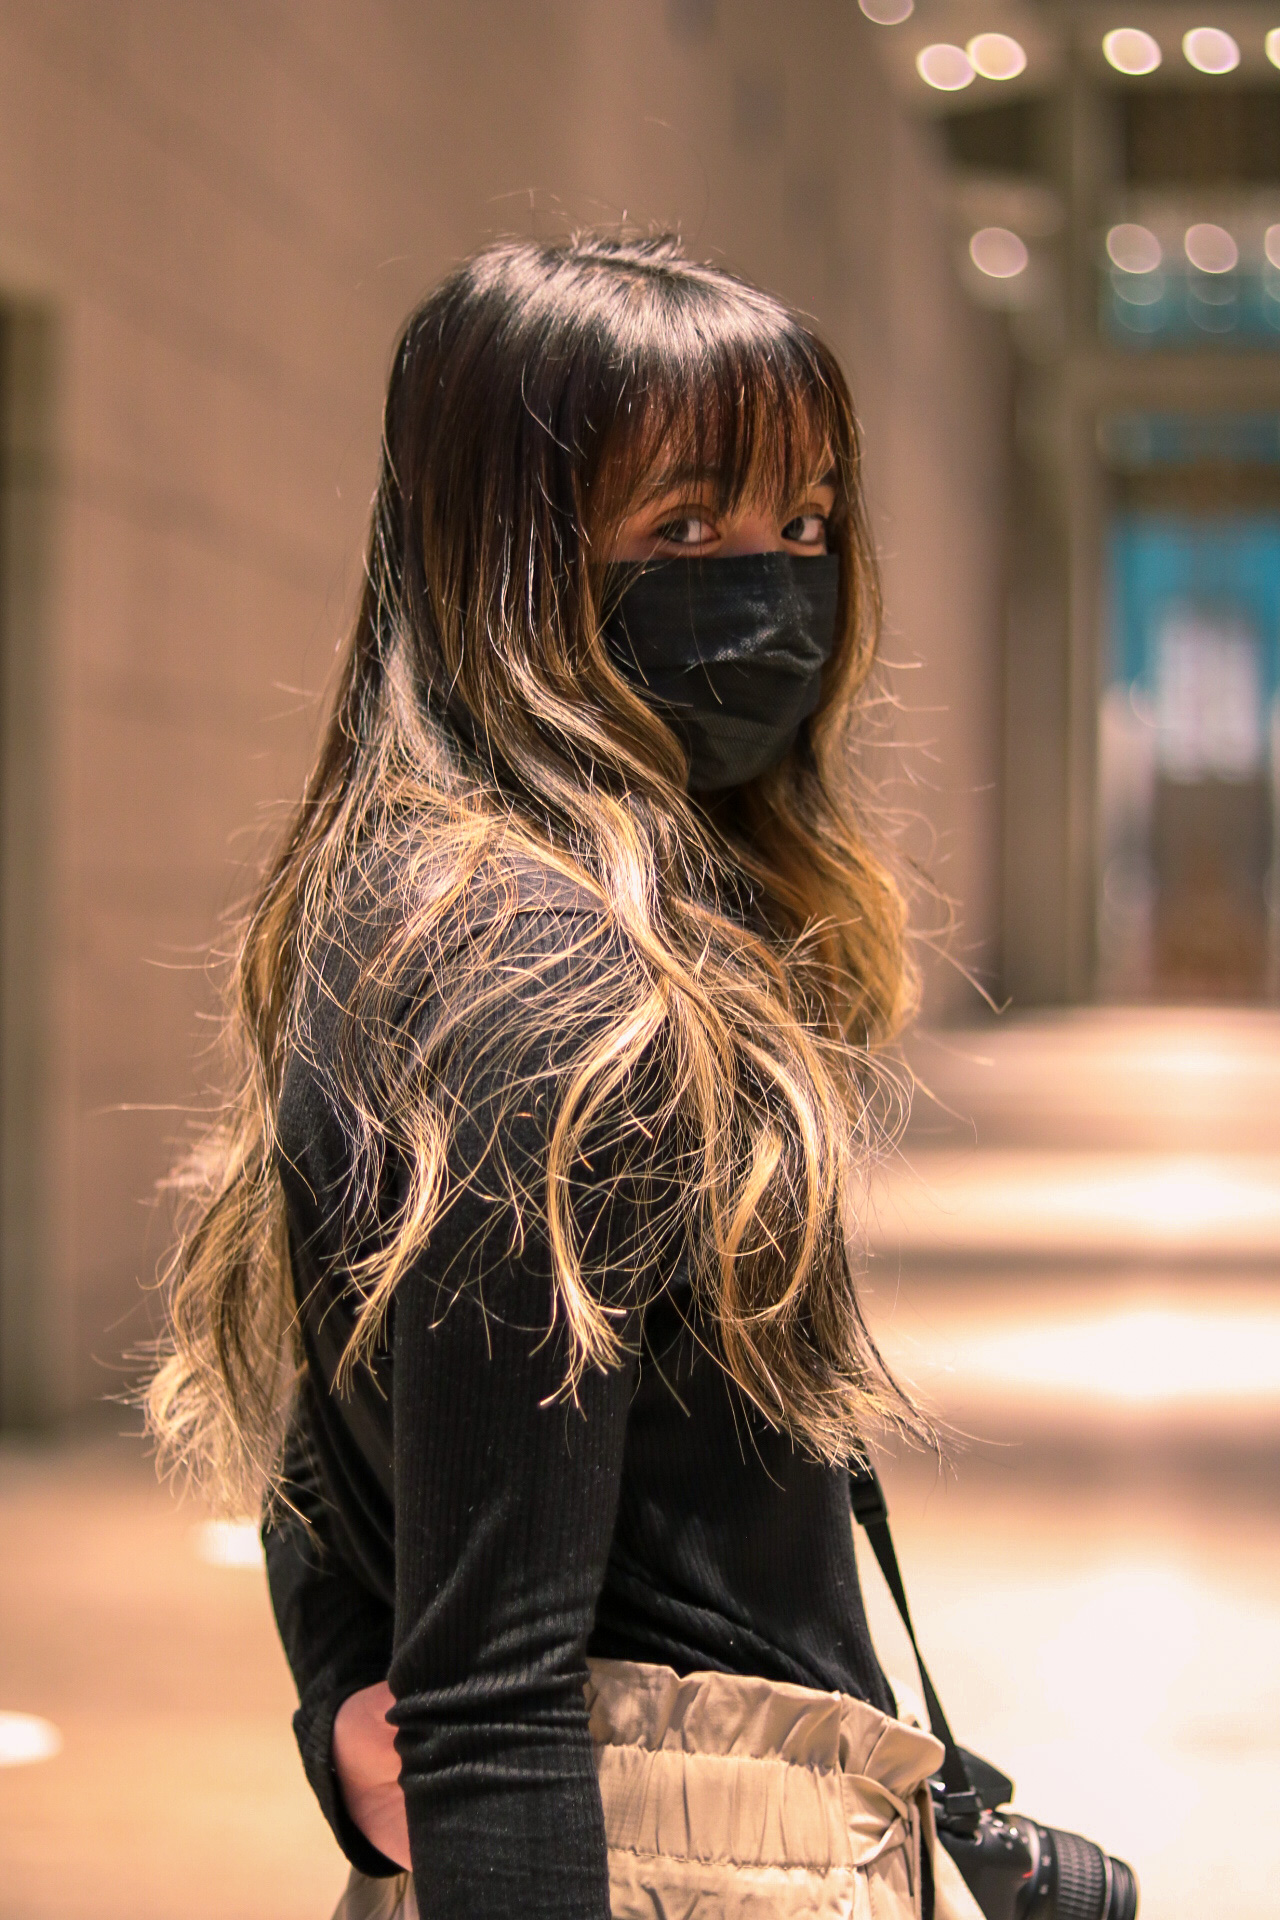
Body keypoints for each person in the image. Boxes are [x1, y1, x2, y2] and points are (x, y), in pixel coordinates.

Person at [148, 231, 973, 1920]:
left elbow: (328, 1448)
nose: (773, 587)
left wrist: (335, 1710)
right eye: (686, 529)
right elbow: (492, 1691)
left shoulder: (432, 904)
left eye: (804, 527)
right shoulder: (540, 972)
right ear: (510, 560)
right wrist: (376, 1727)